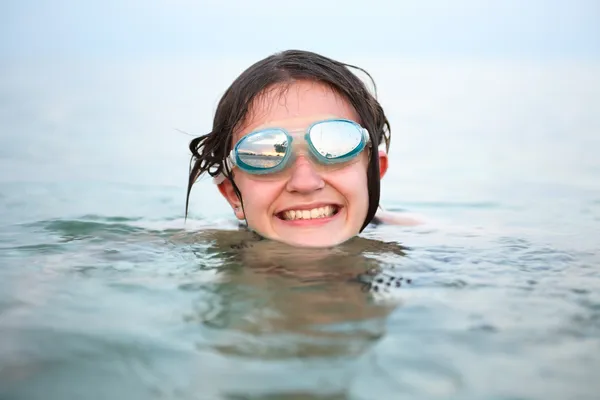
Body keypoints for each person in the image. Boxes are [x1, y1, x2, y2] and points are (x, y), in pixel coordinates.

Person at [186, 49, 420, 248]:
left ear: (375, 173)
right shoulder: (186, 248)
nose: (305, 183)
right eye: (265, 154)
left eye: (335, 146)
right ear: (233, 194)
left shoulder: (430, 244)